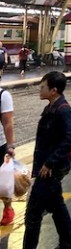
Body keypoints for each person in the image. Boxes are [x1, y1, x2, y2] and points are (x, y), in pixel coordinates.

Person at [23, 71, 71, 249]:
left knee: (33, 214)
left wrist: (49, 163)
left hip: (50, 169)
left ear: (54, 90)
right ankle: (68, 243)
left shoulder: (63, 111)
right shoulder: (51, 108)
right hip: (47, 167)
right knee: (56, 205)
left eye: (43, 87)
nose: (40, 90)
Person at [0, 85, 15, 226]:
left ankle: (8, 208)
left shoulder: (3, 95)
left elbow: (7, 123)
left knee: (3, 181)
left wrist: (10, 145)